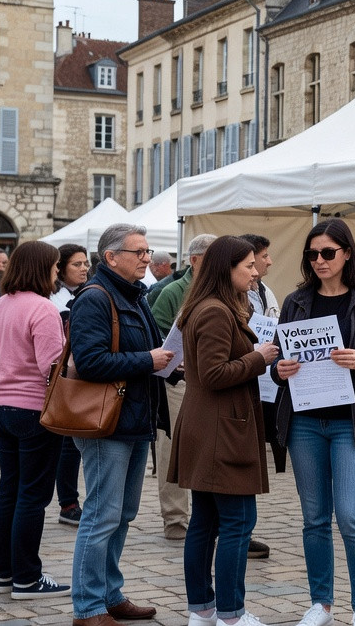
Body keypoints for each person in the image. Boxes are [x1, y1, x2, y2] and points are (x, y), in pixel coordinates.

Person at [273, 218, 355, 626]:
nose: (319, 260)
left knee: (351, 514)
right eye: (312, 254)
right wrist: (280, 369)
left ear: (347, 253)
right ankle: (321, 604)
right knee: (314, 518)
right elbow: (278, 358)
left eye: (327, 252)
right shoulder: (296, 301)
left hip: (354, 422)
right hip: (305, 422)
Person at [167, 236, 279, 626]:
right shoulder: (215, 311)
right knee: (237, 522)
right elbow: (214, 373)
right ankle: (231, 614)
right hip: (221, 429)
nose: (255, 271)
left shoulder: (211, 305)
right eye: (248, 265)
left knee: (207, 521)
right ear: (225, 269)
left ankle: (202, 610)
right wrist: (258, 358)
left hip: (211, 425)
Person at [69, 223, 175, 626]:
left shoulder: (135, 294)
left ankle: (110, 593)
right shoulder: (95, 298)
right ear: (111, 257)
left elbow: (148, 353)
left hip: (134, 419)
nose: (147, 258)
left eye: (148, 251)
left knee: (123, 513)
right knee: (101, 515)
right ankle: (88, 607)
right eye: (139, 252)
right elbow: (90, 362)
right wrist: (149, 360)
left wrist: (171, 364)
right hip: (105, 424)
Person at [0, 241, 70, 599]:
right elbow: (52, 365)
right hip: (34, 409)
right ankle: (27, 578)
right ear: (41, 268)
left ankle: (3, 574)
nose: (57, 272)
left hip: (0, 406)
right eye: (55, 266)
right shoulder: (43, 308)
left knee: (10, 490)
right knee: (33, 495)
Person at [151, 233, 217, 544]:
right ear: (194, 260)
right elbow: (157, 334)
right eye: (212, 257)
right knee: (172, 448)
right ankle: (175, 519)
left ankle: (211, 517)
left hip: (211, 380)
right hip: (177, 382)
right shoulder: (171, 291)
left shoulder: (221, 288)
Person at [47, 244, 92, 527]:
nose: (84, 268)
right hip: (63, 380)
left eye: (86, 263)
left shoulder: (85, 294)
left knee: (74, 445)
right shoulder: (55, 301)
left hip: (82, 377)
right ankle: (68, 503)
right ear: (61, 268)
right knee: (67, 445)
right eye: (77, 264)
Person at [239, 234, 284, 476]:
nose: (269, 261)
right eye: (264, 256)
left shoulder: (266, 291)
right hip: (244, 373)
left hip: (265, 375)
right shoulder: (232, 296)